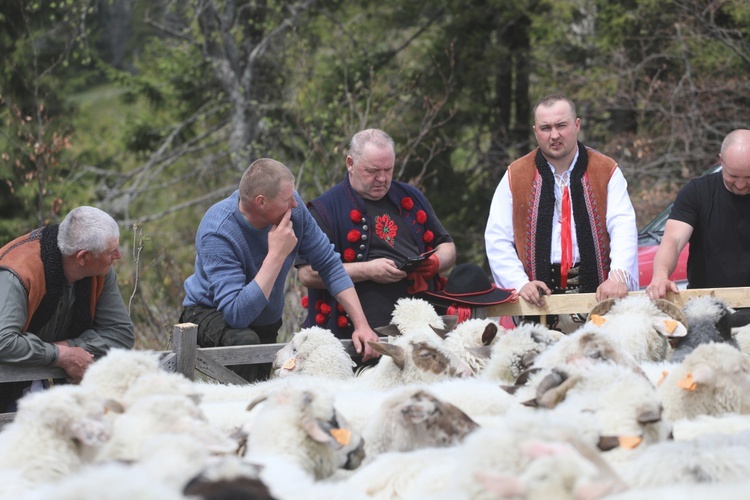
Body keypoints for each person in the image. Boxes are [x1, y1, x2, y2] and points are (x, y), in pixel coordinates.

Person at [180, 158, 380, 382]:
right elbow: (236, 314)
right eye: (287, 200)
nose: (295, 204)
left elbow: (329, 264)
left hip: (263, 317)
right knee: (245, 344)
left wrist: (362, 325)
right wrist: (276, 255)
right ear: (261, 202)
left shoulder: (293, 210)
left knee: (263, 383)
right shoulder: (218, 231)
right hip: (210, 311)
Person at [484, 94, 639, 330]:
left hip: (599, 300)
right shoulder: (515, 175)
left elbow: (622, 226)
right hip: (538, 304)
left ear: (576, 125)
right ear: (536, 131)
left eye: (561, 125)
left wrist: (618, 275)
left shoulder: (606, 170)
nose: (554, 135)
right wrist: (520, 283)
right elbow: (497, 238)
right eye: (546, 128)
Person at [297, 129, 456, 337]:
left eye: (388, 169)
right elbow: (307, 273)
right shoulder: (324, 209)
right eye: (372, 171)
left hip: (422, 329)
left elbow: (447, 246)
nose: (382, 178)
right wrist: (368, 270)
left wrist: (435, 262)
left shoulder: (412, 196)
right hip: (356, 335)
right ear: (350, 164)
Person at [0, 206, 135, 411]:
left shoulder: (100, 271)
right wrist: (60, 355)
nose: (118, 255)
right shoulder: (18, 272)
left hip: (34, 384)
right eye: (110, 251)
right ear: (82, 257)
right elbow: (4, 341)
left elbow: (121, 335)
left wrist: (65, 349)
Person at [646, 129, 750, 301]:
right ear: (721, 161)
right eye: (733, 176)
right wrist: (660, 276)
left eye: (748, 177)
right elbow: (673, 240)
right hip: (706, 303)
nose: (740, 185)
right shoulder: (696, 193)